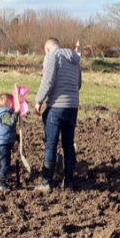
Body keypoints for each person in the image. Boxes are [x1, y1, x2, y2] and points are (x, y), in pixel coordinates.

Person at [34, 37, 82, 192]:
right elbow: (78, 84)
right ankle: (68, 182)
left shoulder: (52, 56)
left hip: (56, 106)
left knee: (51, 144)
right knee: (68, 144)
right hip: (73, 106)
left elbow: (48, 81)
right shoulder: (75, 60)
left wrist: (38, 100)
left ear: (47, 48)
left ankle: (46, 182)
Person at [0, 92, 20, 191]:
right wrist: (16, 112)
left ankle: (2, 179)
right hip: (2, 144)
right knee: (5, 164)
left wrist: (12, 145)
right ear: (8, 104)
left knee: (5, 163)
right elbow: (12, 121)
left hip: (3, 142)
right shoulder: (4, 115)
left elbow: (7, 132)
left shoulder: (3, 114)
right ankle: (1, 183)